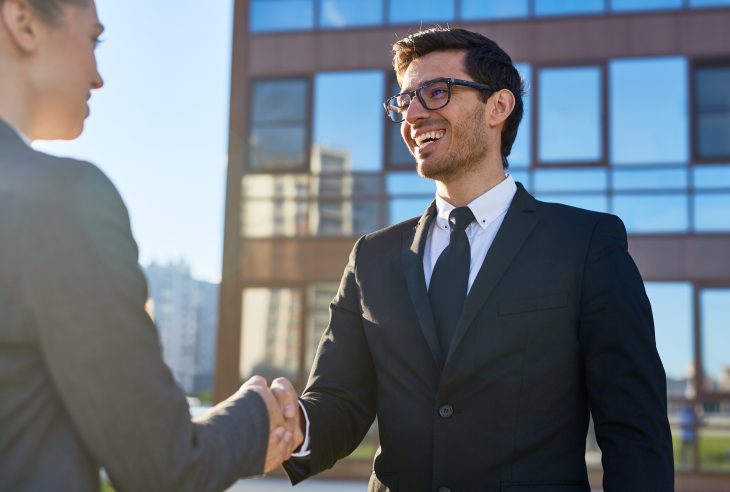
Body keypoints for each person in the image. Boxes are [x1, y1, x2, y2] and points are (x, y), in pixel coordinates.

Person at [278, 27, 674, 491]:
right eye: (404, 101)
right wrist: (290, 427)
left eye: (435, 92)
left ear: (498, 107)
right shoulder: (372, 257)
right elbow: (339, 401)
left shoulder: (585, 244)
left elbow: (634, 429)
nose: (415, 114)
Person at [0, 1, 300, 490]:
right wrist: (256, 416)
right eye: (94, 39)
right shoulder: (59, 201)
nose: (98, 77)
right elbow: (163, 466)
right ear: (23, 22)